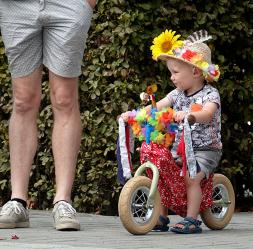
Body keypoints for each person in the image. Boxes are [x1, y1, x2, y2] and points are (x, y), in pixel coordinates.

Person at [0, 0, 96, 231]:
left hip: (69, 3)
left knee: (64, 99)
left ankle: (63, 200)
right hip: (16, 6)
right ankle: (17, 201)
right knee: (23, 100)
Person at [121, 29, 222, 234]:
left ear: (195, 71)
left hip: (205, 149)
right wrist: (134, 115)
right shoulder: (176, 94)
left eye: (175, 72)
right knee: (163, 170)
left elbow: (209, 113)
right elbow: (158, 106)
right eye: (171, 73)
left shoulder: (210, 93)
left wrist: (191, 115)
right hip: (181, 147)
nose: (172, 77)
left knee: (191, 178)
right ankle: (161, 216)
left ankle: (192, 219)